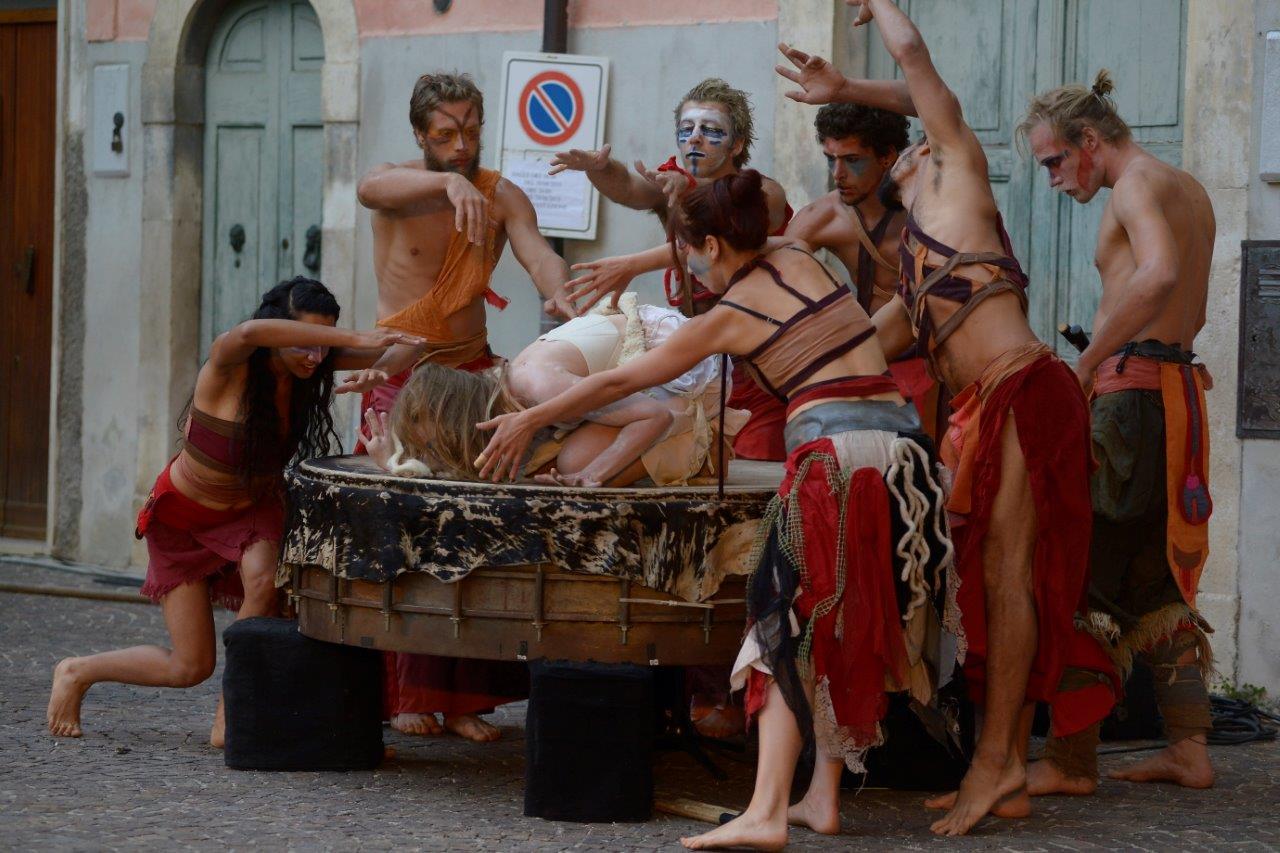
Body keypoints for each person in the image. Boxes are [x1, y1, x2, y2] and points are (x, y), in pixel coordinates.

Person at [475, 171, 958, 850]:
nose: (691, 267)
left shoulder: (733, 313)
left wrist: (531, 418)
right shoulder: (797, 253)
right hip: (903, 455)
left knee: (781, 622)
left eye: (691, 251)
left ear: (710, 244)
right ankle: (821, 797)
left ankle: (765, 812)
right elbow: (749, 222)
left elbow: (619, 380)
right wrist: (656, 248)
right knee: (841, 621)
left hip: (837, 459)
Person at [778, 0, 1117, 835]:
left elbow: (919, 67)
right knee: (987, 587)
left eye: (915, 139)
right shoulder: (915, 257)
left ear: (926, 149)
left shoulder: (957, 172)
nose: (906, 149)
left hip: (1025, 390)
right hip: (984, 408)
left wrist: (856, 58)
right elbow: (862, 342)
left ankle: (997, 762)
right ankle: (1002, 764)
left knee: (1011, 579)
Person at [46, 277, 418, 743]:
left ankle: (232, 712)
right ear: (277, 330)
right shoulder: (231, 361)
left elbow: (410, 350)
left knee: (262, 582)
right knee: (190, 666)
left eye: (323, 345)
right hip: (182, 517)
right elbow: (247, 333)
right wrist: (355, 338)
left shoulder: (311, 363)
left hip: (251, 512)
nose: (314, 356)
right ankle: (77, 671)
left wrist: (382, 365)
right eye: (305, 341)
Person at [344, 71, 576, 743]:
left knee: (475, 534)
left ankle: (464, 697)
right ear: (421, 135)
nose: (462, 146)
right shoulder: (394, 186)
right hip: (402, 376)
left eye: (471, 131)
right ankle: (404, 693)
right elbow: (369, 187)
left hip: (471, 377)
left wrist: (565, 294)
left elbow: (539, 257)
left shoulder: (501, 194)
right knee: (406, 531)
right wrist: (448, 184)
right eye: (446, 135)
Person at [1019, 71, 1217, 794]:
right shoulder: (1187, 187)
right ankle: (1190, 748)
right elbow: (1186, 301)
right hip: (1173, 399)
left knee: (1084, 568)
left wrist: (1087, 362)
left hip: (1132, 401)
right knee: (1154, 575)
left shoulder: (1133, 185)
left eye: (1054, 162)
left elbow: (1159, 275)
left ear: (1089, 141)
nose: (1051, 180)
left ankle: (1070, 759)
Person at [550, 77, 793, 463]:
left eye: (710, 130)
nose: (695, 138)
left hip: (757, 362)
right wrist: (601, 168)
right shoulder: (670, 182)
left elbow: (723, 231)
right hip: (695, 353)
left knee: (753, 458)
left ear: (737, 144)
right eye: (687, 129)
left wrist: (633, 262)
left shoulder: (764, 192)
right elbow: (628, 188)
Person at [362, 296, 744, 488]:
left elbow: (652, 416)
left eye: (433, 444)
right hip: (635, 373)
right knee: (544, 466)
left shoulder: (538, 385)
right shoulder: (505, 391)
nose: (434, 452)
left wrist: (590, 477)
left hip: (687, 367)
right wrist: (394, 463)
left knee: (574, 464)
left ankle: (703, 448)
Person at [781, 100, 940, 438]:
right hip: (866, 361)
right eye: (831, 159)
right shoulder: (823, 217)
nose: (837, 174)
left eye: (852, 160)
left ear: (887, 157)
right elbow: (773, 281)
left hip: (934, 359)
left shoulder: (928, 213)